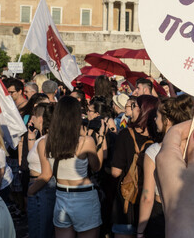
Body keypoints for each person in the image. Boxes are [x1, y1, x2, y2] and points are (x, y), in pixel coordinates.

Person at [28, 96, 105, 237]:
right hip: (84, 196)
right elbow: (96, 167)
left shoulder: (44, 143)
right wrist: (100, 141)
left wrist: (30, 191)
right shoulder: (85, 142)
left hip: (61, 196)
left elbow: (46, 173)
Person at [138, 95, 194, 238]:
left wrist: (140, 230)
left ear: (167, 121)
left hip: (161, 213)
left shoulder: (154, 151)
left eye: (157, 116)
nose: (155, 120)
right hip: (192, 213)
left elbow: (147, 197)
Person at [111, 94, 159, 237]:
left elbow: (115, 171)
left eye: (135, 106)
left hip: (127, 204)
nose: (131, 109)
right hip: (151, 206)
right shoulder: (159, 137)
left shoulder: (125, 134)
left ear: (145, 110)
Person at [26, 103, 56, 238]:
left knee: (39, 231)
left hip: (40, 189)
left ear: (41, 119)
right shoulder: (42, 139)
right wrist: (31, 135)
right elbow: (34, 157)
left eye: (35, 115)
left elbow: (47, 173)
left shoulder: (45, 140)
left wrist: (31, 190)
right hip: (40, 189)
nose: (32, 118)